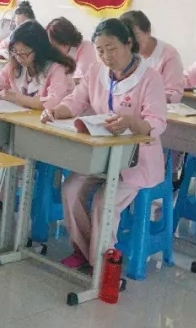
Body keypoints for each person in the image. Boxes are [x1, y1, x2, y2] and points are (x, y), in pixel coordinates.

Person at [41, 18, 167, 269]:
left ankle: (102, 266)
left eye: (112, 48)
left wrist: (131, 122)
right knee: (71, 190)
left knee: (104, 202)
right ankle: (85, 252)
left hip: (136, 161)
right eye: (100, 50)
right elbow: (76, 101)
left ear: (128, 43)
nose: (106, 56)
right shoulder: (95, 72)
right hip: (101, 157)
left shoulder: (149, 78)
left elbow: (157, 122)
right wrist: (56, 111)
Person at [0, 20, 75, 109]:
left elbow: (53, 101)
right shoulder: (14, 65)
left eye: (23, 53)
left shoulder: (56, 69)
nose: (18, 57)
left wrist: (16, 97)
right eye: (14, 51)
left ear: (39, 51)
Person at [120, 10, 184, 103]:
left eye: (136, 35)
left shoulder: (169, 55)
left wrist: (143, 98)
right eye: (127, 37)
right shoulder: (125, 52)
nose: (132, 42)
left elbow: (173, 94)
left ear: (148, 31)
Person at [46, 17, 98, 82]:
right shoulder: (56, 57)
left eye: (54, 44)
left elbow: (81, 79)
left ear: (65, 41)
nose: (52, 48)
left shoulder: (86, 46)